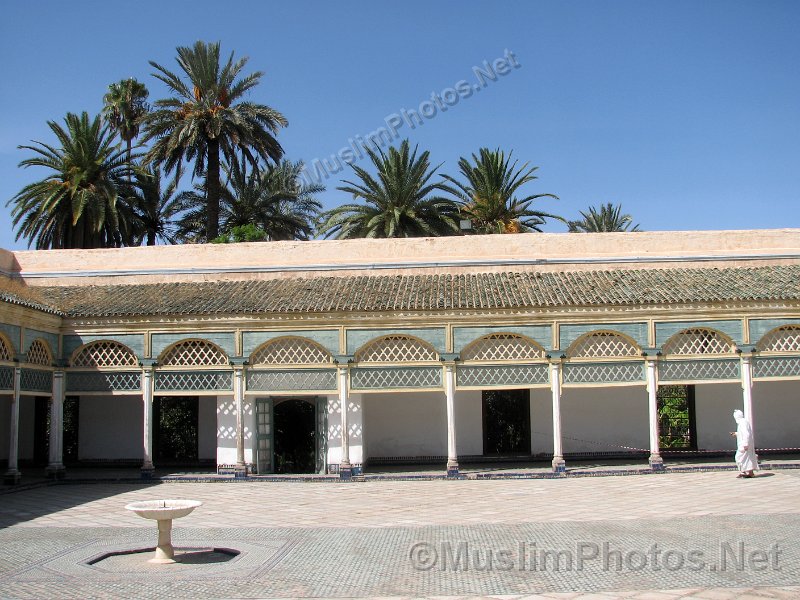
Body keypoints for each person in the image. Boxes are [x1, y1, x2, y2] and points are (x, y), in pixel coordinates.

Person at [731, 409, 757, 478]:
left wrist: (745, 444)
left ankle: (743, 472)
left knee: (739, 457)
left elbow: (746, 434)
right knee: (748, 458)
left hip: (744, 445)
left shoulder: (743, 423)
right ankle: (750, 473)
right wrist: (736, 434)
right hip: (746, 444)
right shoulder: (743, 422)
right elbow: (743, 433)